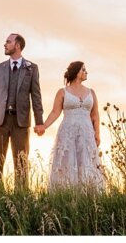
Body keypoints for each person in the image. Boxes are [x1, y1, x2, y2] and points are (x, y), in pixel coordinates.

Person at [0, 33, 44, 189]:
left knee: (21, 163)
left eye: (8, 42)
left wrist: (40, 122)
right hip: (0, 121)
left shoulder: (32, 68)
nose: (5, 44)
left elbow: (36, 97)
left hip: (21, 122)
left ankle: (21, 198)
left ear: (17, 45)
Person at [43, 61, 106, 191]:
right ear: (76, 72)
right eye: (83, 70)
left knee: (87, 162)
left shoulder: (91, 92)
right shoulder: (63, 92)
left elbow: (95, 115)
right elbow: (55, 112)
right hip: (68, 133)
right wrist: (44, 126)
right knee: (67, 162)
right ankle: (66, 194)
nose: (86, 72)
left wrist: (97, 133)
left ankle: (88, 194)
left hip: (86, 133)